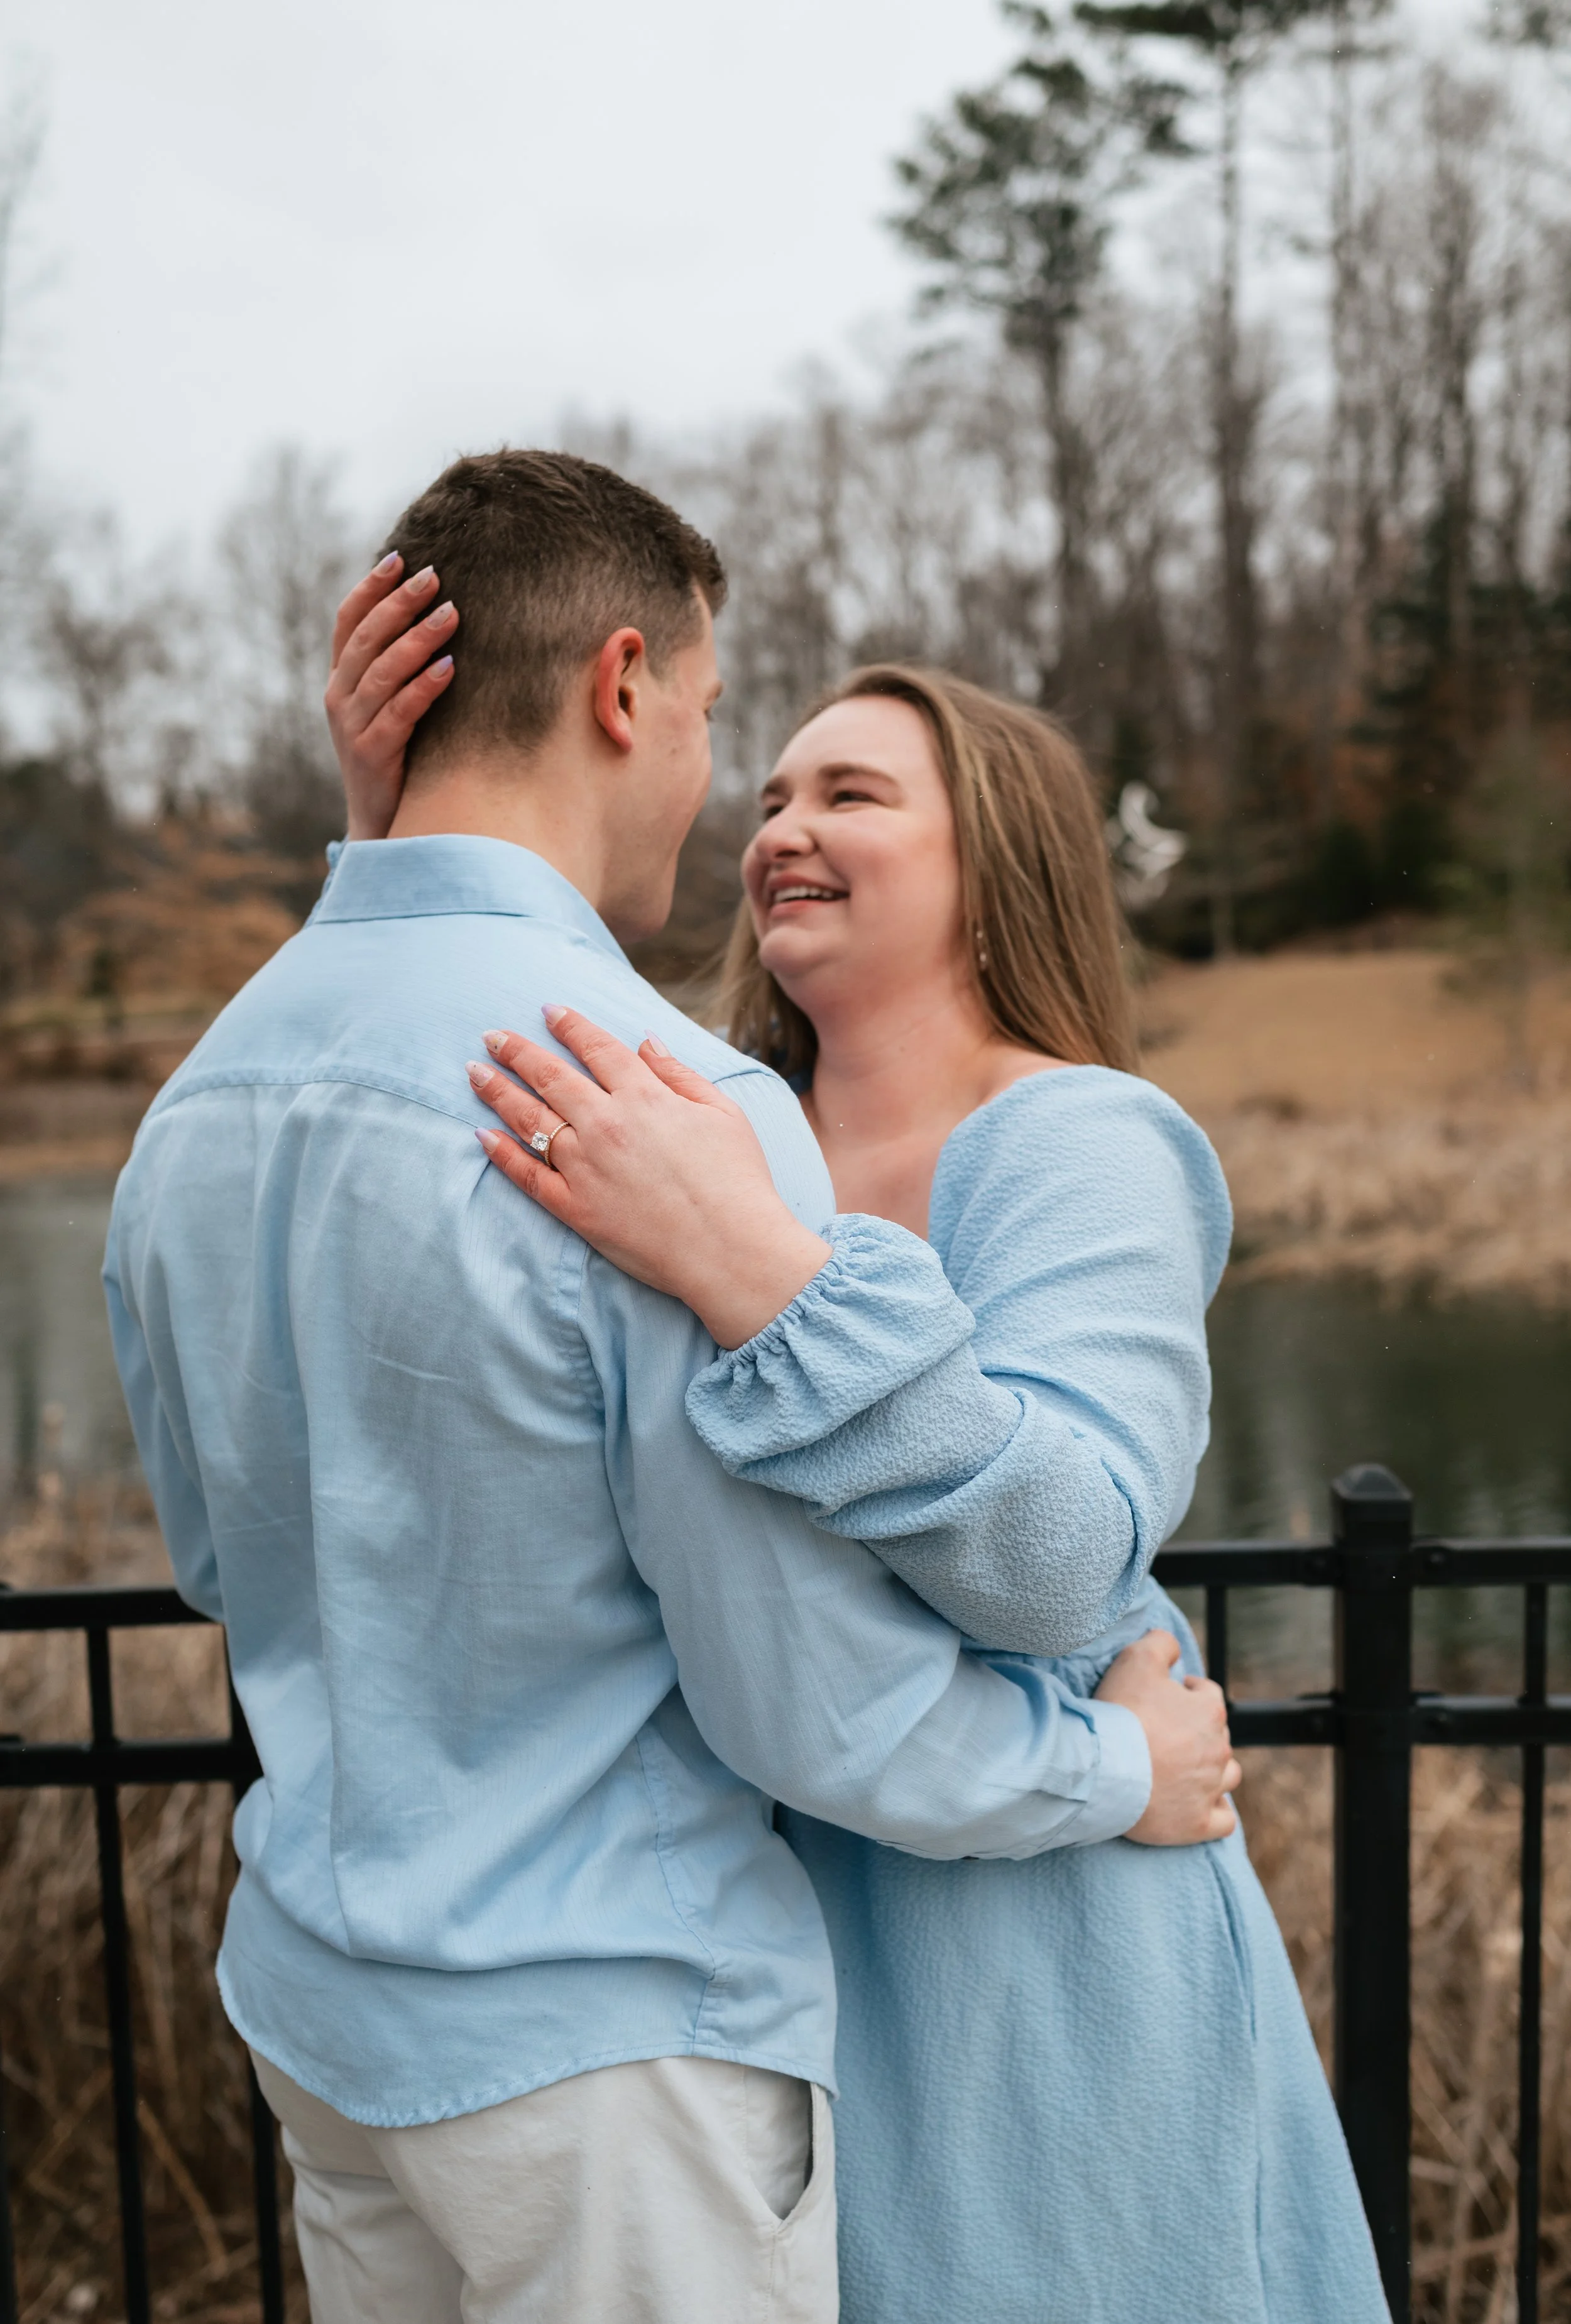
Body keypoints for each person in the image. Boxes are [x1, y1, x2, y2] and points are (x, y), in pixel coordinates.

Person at [106, 449, 1238, 2324]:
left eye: (843, 790)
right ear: (625, 687)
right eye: (731, 737)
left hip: (332, 2004)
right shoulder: (657, 1107)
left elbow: (234, 1557)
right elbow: (805, 1699)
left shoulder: (205, 1094)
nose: (742, 809)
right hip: (604, 2042)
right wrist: (1113, 1762)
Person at [333, 584, 1391, 2320]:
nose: (784, 829)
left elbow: (1063, 1559)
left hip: (1018, 1961)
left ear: (998, 865)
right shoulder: (685, 1113)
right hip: (710, 1950)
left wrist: (754, 1273)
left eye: (853, 796)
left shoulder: (1076, 1143)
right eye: (768, 795)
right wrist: (402, 826)